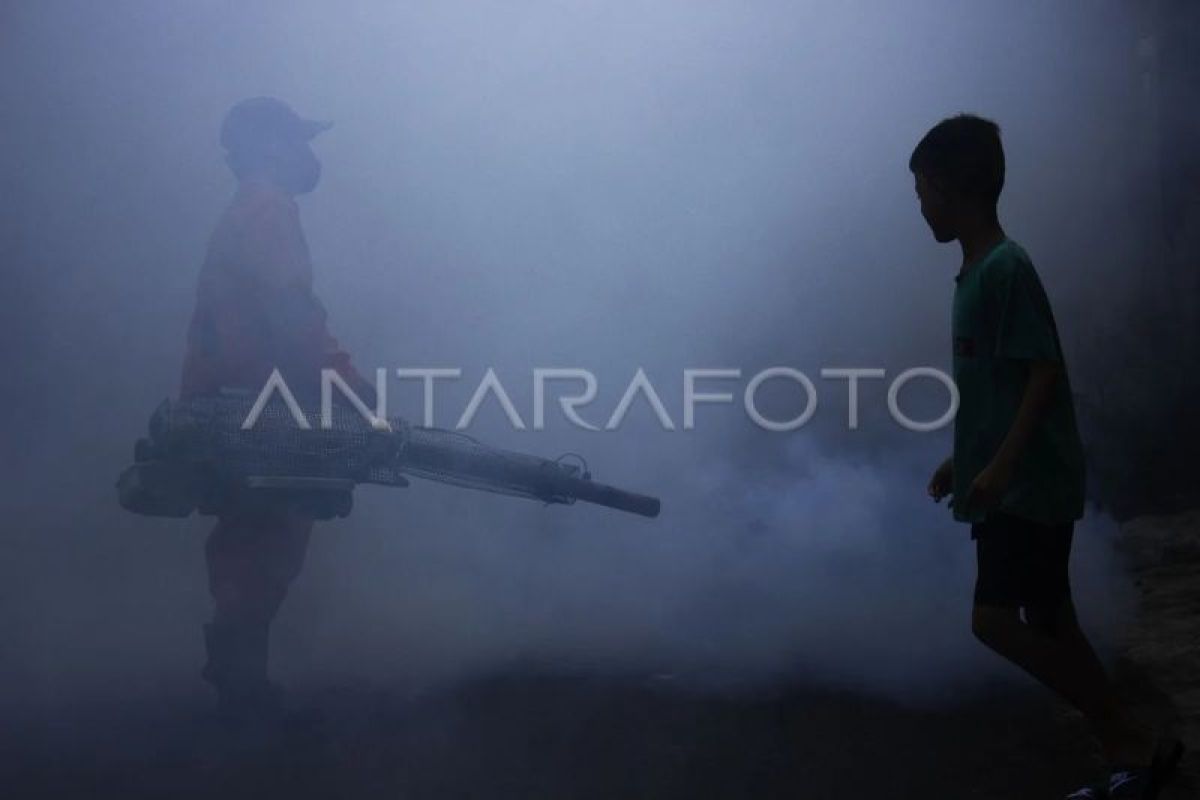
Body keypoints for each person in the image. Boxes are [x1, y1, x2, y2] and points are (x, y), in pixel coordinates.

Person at [912, 114, 1182, 799]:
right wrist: (961, 456)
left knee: (993, 621)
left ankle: (1127, 732)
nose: (920, 207)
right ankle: (1133, 753)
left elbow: (1042, 373)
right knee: (1052, 619)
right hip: (1009, 477)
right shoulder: (973, 274)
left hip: (1028, 485)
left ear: (953, 190)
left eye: (924, 191)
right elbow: (991, 389)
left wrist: (1001, 465)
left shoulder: (1006, 268)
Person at [180, 96, 376, 724]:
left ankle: (240, 681)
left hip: (230, 397)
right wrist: (348, 386)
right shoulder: (268, 207)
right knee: (272, 532)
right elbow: (292, 310)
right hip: (262, 403)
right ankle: (243, 692)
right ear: (271, 148)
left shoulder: (244, 209)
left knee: (248, 531)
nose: (308, 154)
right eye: (299, 140)